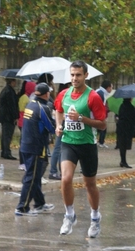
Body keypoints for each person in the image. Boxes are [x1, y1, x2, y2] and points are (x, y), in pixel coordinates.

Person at [54, 60, 106, 237]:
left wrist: (81, 118)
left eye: (78, 75)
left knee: (89, 184)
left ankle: (95, 218)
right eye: (72, 75)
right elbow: (58, 110)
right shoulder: (64, 94)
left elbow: (103, 125)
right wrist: (59, 125)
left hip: (87, 145)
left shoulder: (93, 97)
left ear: (86, 76)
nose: (75, 78)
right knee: (65, 179)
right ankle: (69, 215)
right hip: (69, 142)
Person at [15, 83, 56, 216]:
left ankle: (39, 203)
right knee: (31, 178)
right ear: (46, 94)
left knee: (35, 176)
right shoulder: (42, 107)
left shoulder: (31, 104)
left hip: (26, 145)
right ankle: (22, 208)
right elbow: (51, 127)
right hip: (36, 147)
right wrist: (57, 119)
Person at [49, 83, 70, 180]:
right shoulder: (65, 95)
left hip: (63, 122)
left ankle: (60, 171)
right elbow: (58, 110)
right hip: (64, 122)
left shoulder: (60, 95)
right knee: (58, 148)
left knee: (61, 148)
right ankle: (53, 171)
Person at [0, 78, 19, 160]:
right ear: (12, 82)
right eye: (14, 81)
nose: (16, 83)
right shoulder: (9, 92)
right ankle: (7, 152)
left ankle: (4, 151)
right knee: (8, 135)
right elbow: (12, 106)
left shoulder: (6, 90)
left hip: (4, 116)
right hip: (8, 116)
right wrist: (15, 117)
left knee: (5, 134)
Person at [116, 98, 135, 168]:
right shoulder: (131, 107)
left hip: (121, 127)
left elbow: (119, 115)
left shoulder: (122, 106)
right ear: (130, 99)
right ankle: (123, 161)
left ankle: (123, 160)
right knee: (125, 144)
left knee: (122, 144)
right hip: (127, 128)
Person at [17, 81, 35, 171]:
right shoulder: (25, 98)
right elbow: (22, 109)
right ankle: (22, 162)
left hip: (23, 121)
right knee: (23, 142)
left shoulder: (27, 97)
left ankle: (24, 162)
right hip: (23, 122)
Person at [95, 80, 113, 148]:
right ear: (108, 87)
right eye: (111, 87)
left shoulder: (100, 92)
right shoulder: (101, 93)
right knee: (102, 127)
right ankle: (101, 142)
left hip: (97, 115)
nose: (111, 89)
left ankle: (101, 141)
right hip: (97, 116)